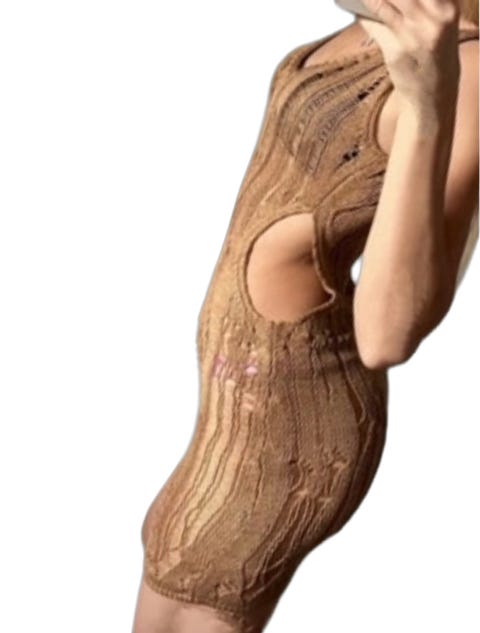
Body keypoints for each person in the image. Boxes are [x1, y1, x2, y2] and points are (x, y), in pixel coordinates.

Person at [132, 1, 479, 631]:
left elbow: (386, 334)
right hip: (232, 403)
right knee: (168, 548)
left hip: (294, 418)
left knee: (198, 585)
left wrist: (427, 103)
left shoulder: (467, 67)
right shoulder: (386, 19)